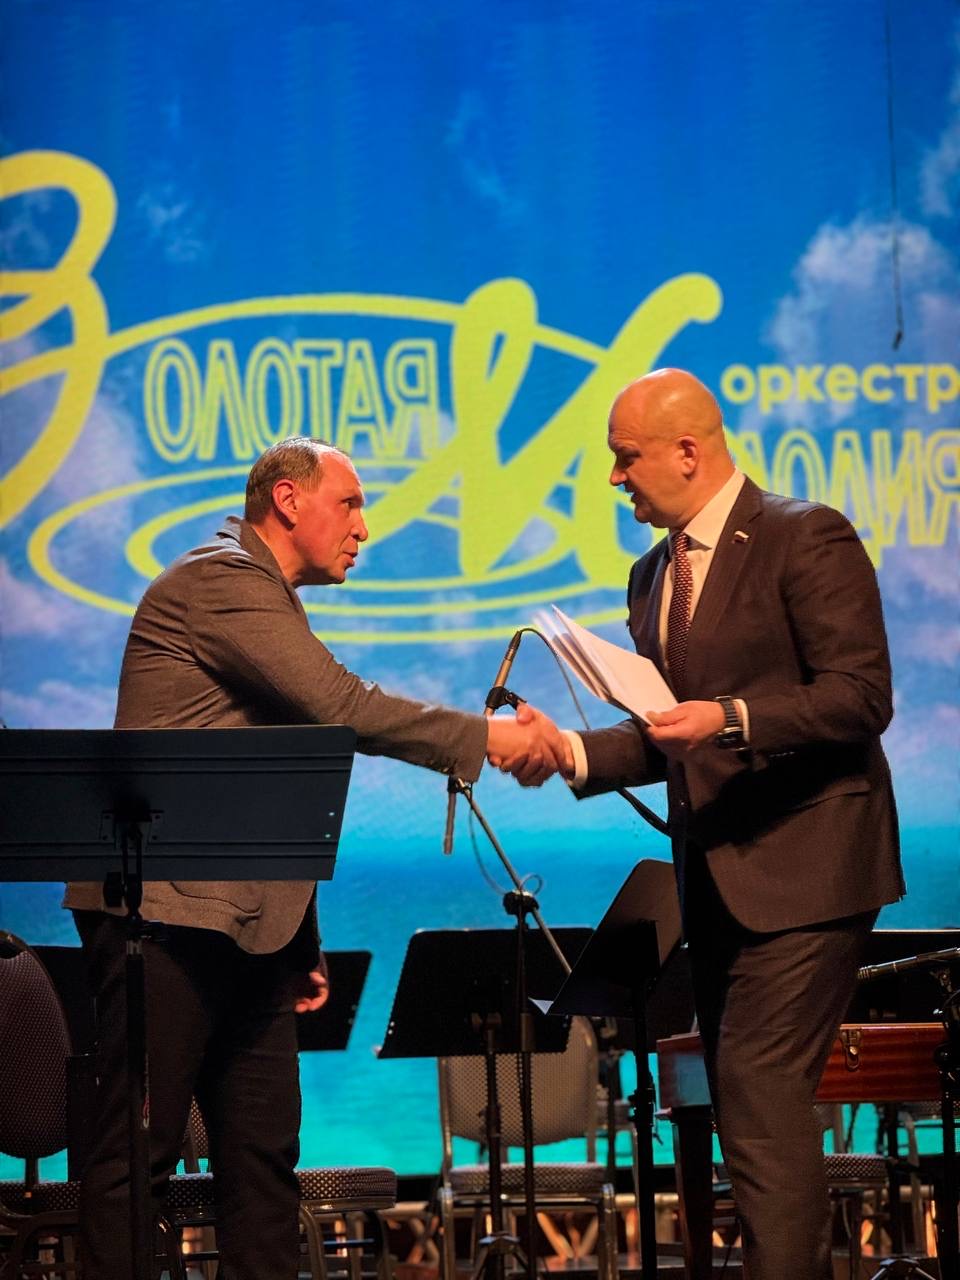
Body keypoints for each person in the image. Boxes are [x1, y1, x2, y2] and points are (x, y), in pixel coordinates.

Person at [64, 436, 567, 1280]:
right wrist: (488, 738)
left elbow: (275, 790)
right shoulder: (221, 580)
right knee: (137, 1158)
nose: (365, 527)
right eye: (352, 503)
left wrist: (300, 943)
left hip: (248, 934)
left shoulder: (266, 601)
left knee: (264, 1162)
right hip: (165, 917)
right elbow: (342, 705)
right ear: (289, 500)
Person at [504, 369, 904, 1280]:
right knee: (745, 1099)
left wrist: (730, 717)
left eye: (625, 457)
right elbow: (663, 732)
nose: (614, 478)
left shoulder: (806, 536)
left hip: (811, 869)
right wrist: (566, 750)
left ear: (688, 451)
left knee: (758, 1091)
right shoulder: (652, 575)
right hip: (716, 883)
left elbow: (860, 697)